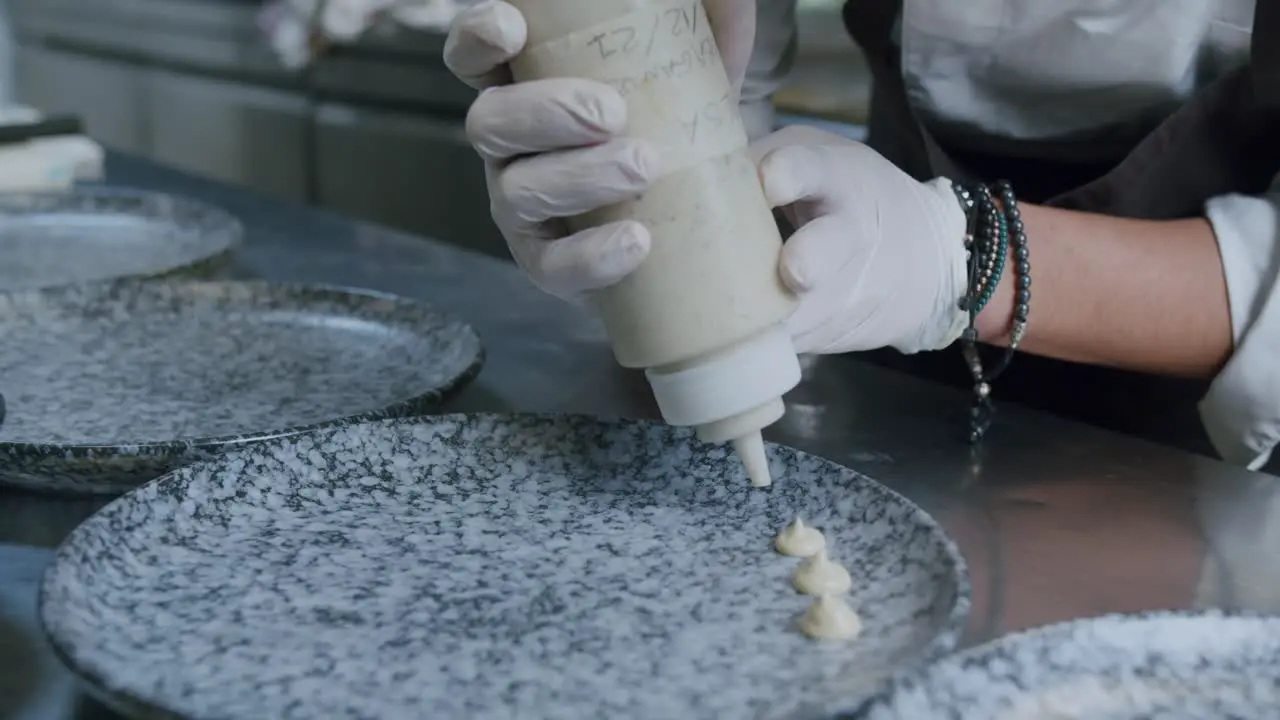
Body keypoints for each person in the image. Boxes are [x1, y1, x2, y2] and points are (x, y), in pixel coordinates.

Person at [444, 0, 1280, 471]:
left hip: (1206, 437)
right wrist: (625, 207)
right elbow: (722, 68)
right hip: (896, 364)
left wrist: (958, 259)